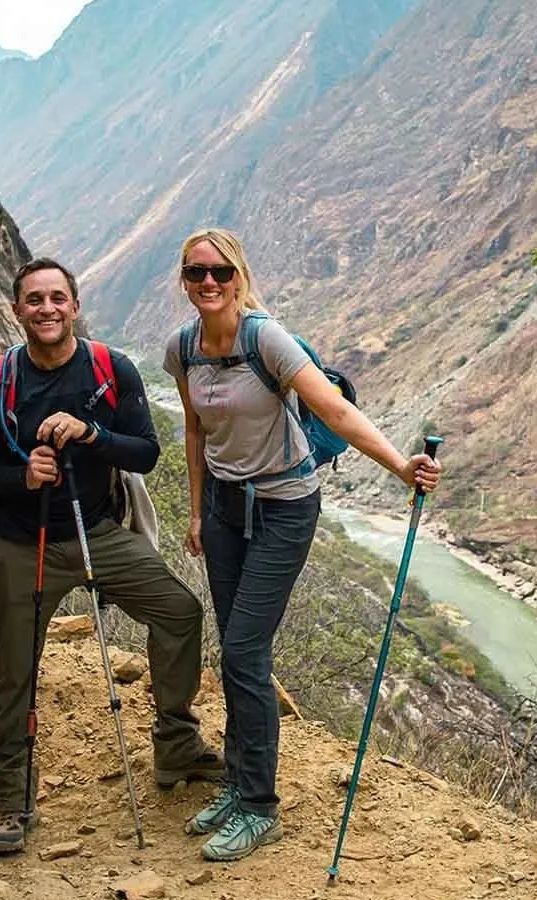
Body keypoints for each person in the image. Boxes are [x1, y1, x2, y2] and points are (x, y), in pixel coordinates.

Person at [164, 227, 441, 862]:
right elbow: (196, 432)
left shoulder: (267, 339)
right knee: (236, 652)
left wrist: (401, 466)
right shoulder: (183, 350)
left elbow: (335, 411)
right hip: (226, 508)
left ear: (239, 276)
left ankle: (261, 806)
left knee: (243, 650)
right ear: (183, 280)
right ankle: (238, 786)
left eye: (221, 272)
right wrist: (199, 511)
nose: (209, 283)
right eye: (196, 272)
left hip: (285, 506)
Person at [0, 258, 223, 856]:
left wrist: (90, 434)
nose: (47, 309)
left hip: (98, 532)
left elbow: (144, 453)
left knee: (179, 611)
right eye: (34, 300)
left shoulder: (110, 369)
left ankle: (176, 745)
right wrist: (23, 476)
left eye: (58, 298)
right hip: (20, 544)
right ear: (17, 310)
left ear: (75, 306)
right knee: (14, 670)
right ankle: (12, 798)